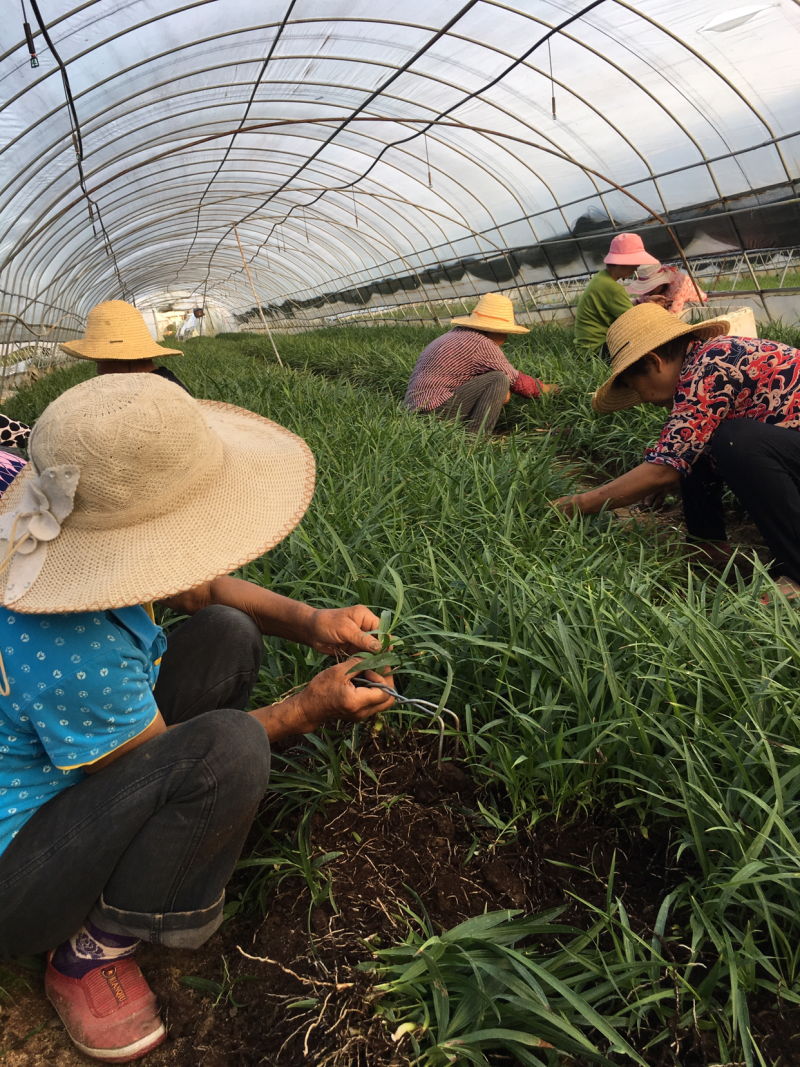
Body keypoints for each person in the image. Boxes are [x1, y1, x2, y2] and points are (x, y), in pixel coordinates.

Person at [0, 373, 395, 1061]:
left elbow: (200, 587)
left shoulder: (79, 531)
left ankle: (175, 835)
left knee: (225, 628)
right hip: (22, 866)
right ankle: (90, 949)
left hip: (70, 767)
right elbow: (154, 755)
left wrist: (313, 622)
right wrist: (305, 709)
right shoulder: (63, 635)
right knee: (231, 748)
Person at [555, 303, 800, 599]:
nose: (643, 398)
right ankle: (706, 544)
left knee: (736, 440)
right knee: (695, 446)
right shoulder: (704, 360)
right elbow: (678, 450)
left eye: (636, 385)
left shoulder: (712, 365)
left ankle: (796, 573)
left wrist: (580, 504)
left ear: (655, 362)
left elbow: (663, 468)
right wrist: (668, 472)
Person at [403, 292, 558, 436]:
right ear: (496, 330)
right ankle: (474, 440)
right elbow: (518, 382)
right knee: (499, 379)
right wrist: (550, 389)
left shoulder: (453, 336)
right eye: (505, 332)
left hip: (415, 411)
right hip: (434, 410)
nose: (506, 337)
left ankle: (459, 433)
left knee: (500, 385)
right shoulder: (482, 344)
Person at [61, 301, 191, 393]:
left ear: (122, 360)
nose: (98, 370)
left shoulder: (151, 396)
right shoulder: (167, 382)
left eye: (99, 362)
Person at [574, 233, 661, 358]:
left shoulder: (601, 278)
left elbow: (617, 307)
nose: (636, 267)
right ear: (622, 262)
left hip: (586, 349)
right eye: (635, 262)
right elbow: (635, 322)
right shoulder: (613, 288)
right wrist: (654, 310)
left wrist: (645, 301)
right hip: (597, 351)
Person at [625, 262, 707, 317]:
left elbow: (675, 313)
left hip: (695, 306)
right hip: (669, 305)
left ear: (660, 282)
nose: (648, 291)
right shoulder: (650, 292)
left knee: (683, 309)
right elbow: (643, 302)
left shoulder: (679, 285)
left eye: (650, 286)